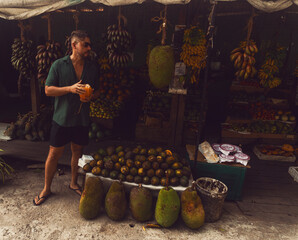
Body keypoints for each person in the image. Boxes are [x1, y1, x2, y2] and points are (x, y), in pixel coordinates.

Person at [33, 30, 100, 206]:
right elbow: (48, 90)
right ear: (74, 45)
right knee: (54, 154)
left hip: (81, 119)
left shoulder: (92, 67)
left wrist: (91, 96)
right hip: (61, 119)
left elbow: (98, 91)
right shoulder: (59, 65)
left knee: (77, 152)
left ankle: (73, 183)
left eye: (89, 44)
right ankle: (47, 188)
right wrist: (69, 89)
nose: (89, 48)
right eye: (85, 44)